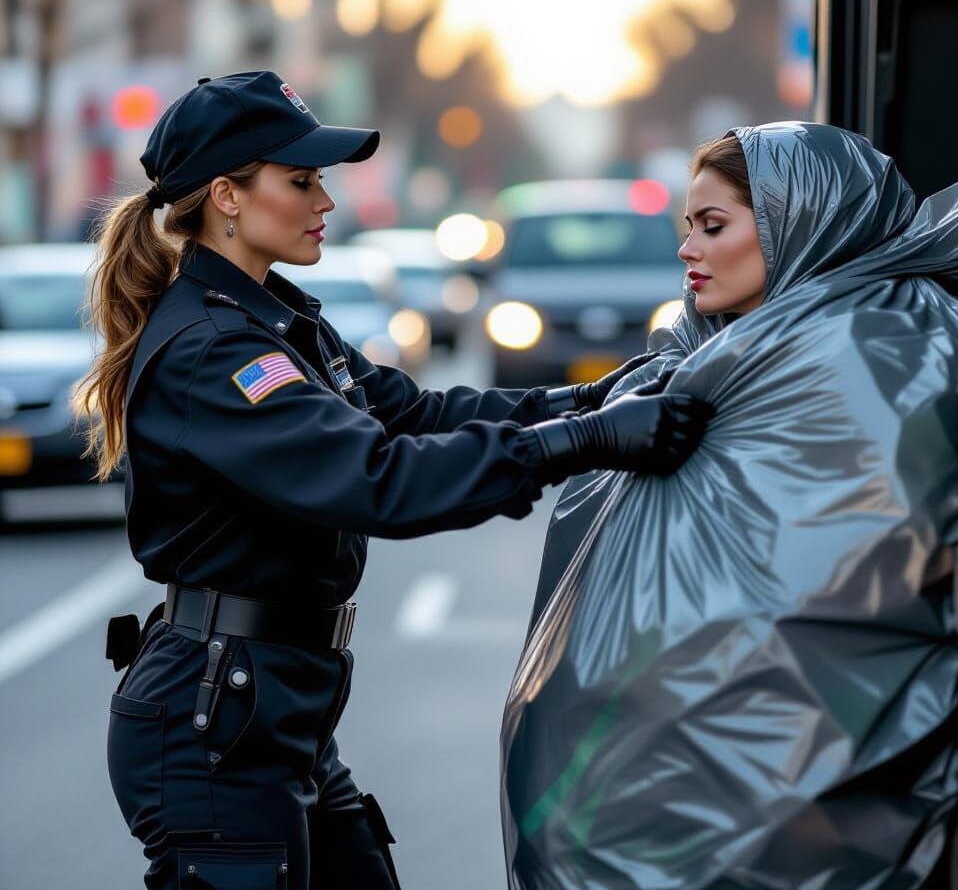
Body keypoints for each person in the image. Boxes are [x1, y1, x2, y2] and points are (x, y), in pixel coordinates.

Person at [77, 71, 712, 890]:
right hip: (215, 729)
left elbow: (415, 414)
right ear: (227, 196)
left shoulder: (278, 320)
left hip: (272, 708)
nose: (325, 200)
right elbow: (377, 478)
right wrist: (586, 441)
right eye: (300, 181)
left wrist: (589, 398)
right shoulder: (214, 350)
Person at [501, 122, 958, 890]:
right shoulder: (719, 353)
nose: (687, 248)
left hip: (791, 768)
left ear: (797, 222)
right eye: (689, 225)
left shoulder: (875, 353)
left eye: (713, 226)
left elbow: (841, 584)